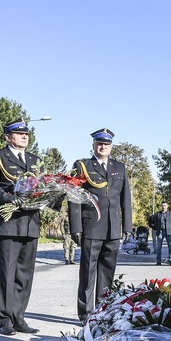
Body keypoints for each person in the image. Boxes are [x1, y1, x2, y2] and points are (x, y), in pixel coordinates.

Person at [0, 118, 41, 336]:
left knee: (25, 274)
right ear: (8, 136)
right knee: (7, 272)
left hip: (31, 222)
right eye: (18, 133)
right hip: (8, 222)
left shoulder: (35, 160)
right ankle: (5, 319)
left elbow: (42, 186)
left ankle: (19, 317)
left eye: (26, 133)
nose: (24, 136)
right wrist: (8, 199)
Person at [69, 128, 132, 323]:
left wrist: (127, 227)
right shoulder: (82, 166)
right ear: (93, 145)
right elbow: (74, 197)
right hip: (91, 226)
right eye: (99, 143)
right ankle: (85, 313)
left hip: (113, 228)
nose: (103, 147)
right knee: (88, 271)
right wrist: (76, 227)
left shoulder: (119, 167)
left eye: (106, 144)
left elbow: (125, 199)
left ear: (111, 147)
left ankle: (102, 310)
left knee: (107, 271)